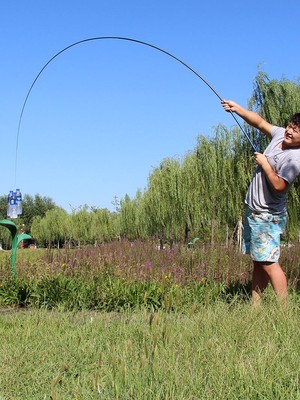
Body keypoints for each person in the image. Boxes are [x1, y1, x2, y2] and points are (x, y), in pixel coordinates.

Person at [222, 99, 300, 304]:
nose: (290, 131)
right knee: (258, 262)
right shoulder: (279, 135)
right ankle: (255, 308)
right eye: (292, 125)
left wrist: (265, 163)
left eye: (297, 131)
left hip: (268, 215)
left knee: (269, 262)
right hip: (255, 211)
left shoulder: (294, 159)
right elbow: (260, 123)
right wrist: (237, 109)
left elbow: (280, 186)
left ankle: (284, 310)